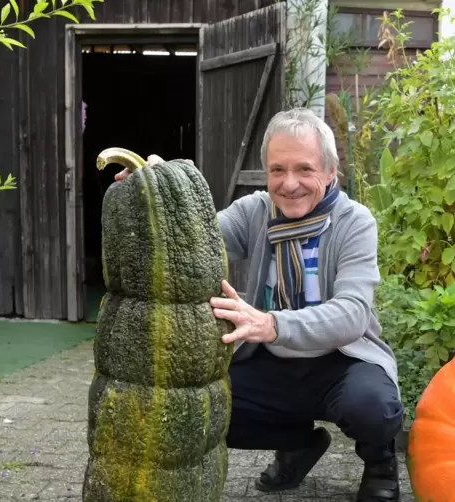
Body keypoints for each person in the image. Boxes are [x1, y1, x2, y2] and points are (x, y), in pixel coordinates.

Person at [115, 108, 404, 501]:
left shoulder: (354, 222)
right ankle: (299, 444)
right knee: (202, 409)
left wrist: (272, 323)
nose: (290, 184)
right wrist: (155, 192)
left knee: (374, 406)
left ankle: (380, 463)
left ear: (330, 172)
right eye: (277, 170)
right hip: (272, 360)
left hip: (342, 359)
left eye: (305, 169)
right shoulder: (255, 211)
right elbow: (190, 237)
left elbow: (353, 314)